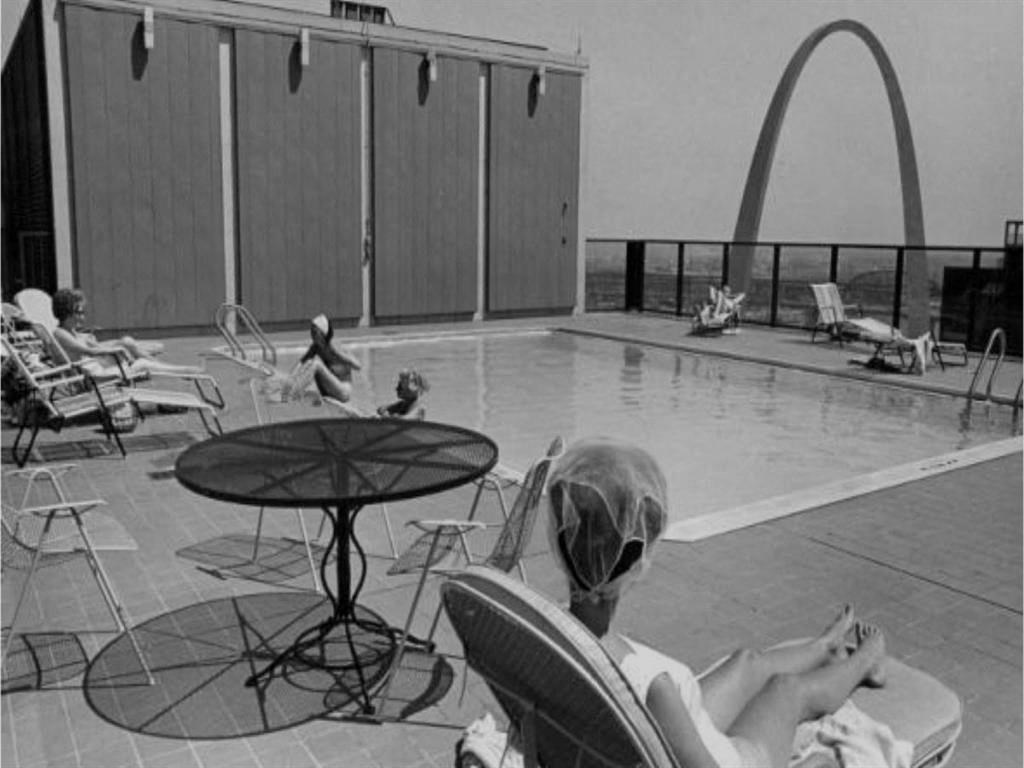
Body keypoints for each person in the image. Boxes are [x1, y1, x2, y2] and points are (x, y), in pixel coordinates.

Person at [545, 437, 888, 768]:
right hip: (729, 759)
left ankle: (825, 647)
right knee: (786, 691)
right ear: (637, 559)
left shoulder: (541, 629)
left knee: (745, 662)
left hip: (668, 730)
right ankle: (867, 660)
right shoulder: (652, 685)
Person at [51, 288, 203, 377]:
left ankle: (179, 369)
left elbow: (93, 346)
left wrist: (121, 345)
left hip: (97, 370)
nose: (83, 316)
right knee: (142, 364)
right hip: (94, 377)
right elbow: (90, 352)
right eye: (79, 312)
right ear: (67, 311)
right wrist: (117, 349)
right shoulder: (60, 334)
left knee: (128, 343)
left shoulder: (71, 332)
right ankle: (182, 371)